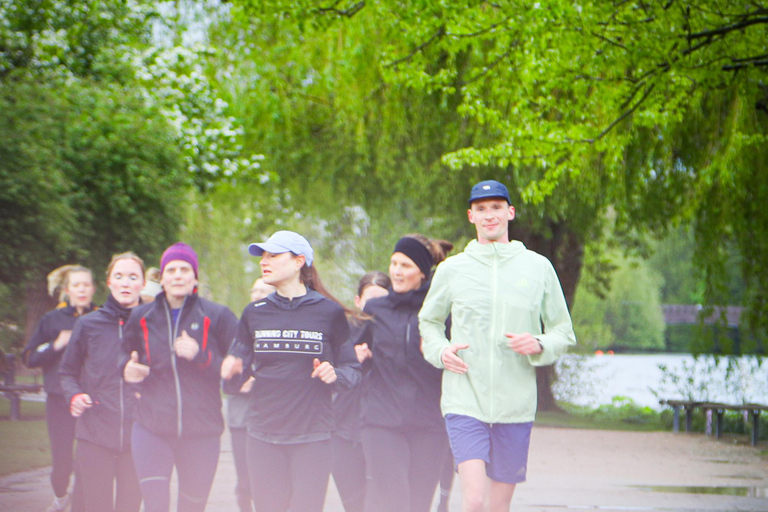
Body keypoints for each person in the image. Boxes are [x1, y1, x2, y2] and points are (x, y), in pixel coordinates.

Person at [419, 180, 577, 512]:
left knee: (496, 507)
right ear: (471, 216)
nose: (489, 215)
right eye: (481, 209)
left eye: (495, 207)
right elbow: (429, 322)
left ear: (510, 212)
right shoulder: (453, 270)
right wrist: (441, 351)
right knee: (474, 500)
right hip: (465, 400)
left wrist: (538, 343)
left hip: (515, 405)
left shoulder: (537, 268)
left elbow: (563, 331)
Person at [221, 230, 362, 512]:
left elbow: (353, 370)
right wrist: (230, 370)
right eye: (263, 256)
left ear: (299, 262)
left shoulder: (329, 312)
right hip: (262, 436)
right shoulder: (254, 312)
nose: (265, 261)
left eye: (274, 255)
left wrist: (335, 375)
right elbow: (234, 378)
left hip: (313, 437)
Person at [119, 242, 238, 512]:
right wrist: (126, 369)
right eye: (170, 270)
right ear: (161, 278)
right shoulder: (141, 316)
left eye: (185, 269)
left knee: (191, 508)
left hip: (201, 432)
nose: (177, 275)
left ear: (195, 277)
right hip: (151, 428)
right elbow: (122, 356)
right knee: (155, 505)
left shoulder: (218, 315)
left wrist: (201, 355)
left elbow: (236, 368)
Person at [357, 234, 453, 512]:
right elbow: (352, 351)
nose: (397, 271)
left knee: (418, 505)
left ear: (422, 272)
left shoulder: (441, 313)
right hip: (381, 421)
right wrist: (357, 356)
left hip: (429, 423)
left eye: (406, 265)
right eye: (394, 263)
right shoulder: (376, 309)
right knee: (394, 503)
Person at [59, 252, 146, 512]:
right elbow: (67, 372)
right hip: (94, 435)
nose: (126, 283)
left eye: (133, 277)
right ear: (109, 282)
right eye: (119, 276)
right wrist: (74, 396)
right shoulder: (88, 324)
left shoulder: (151, 325)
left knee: (130, 507)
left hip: (139, 437)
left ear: (142, 283)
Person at [23, 264, 96, 512]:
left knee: (88, 459)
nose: (82, 289)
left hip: (91, 401)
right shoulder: (52, 320)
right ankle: (61, 496)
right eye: (77, 285)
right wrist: (57, 343)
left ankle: (82, 505)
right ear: (67, 290)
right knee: (62, 463)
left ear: (94, 288)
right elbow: (30, 357)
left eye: (86, 284)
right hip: (59, 400)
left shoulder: (100, 316)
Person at [331, 271, 390, 512]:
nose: (375, 307)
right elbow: (326, 372)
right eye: (370, 300)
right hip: (344, 429)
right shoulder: (343, 331)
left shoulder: (398, 332)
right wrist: (350, 360)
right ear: (357, 301)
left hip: (385, 429)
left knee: (378, 503)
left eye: (382, 300)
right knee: (353, 504)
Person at [228, 277, 275, 512]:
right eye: (254, 290)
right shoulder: (239, 330)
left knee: (270, 482)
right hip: (242, 419)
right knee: (245, 482)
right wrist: (237, 382)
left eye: (263, 291)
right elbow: (225, 378)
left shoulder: (283, 332)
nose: (257, 294)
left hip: (275, 420)